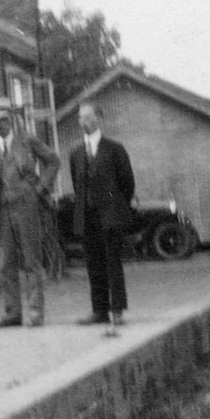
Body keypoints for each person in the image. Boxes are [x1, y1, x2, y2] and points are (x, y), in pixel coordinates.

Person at [0, 97, 60, 327]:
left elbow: (53, 161)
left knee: (31, 260)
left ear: (12, 118)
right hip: (1, 209)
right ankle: (12, 312)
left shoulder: (27, 141)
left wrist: (41, 188)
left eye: (3, 120)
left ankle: (35, 313)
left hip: (26, 205)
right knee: (6, 263)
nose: (0, 125)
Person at [69, 102, 136, 326]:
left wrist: (115, 207)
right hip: (87, 217)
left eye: (87, 117)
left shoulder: (114, 149)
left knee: (112, 262)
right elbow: (77, 186)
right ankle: (99, 310)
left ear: (99, 117)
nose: (83, 122)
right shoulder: (76, 153)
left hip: (110, 215)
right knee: (93, 264)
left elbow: (127, 183)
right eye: (80, 118)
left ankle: (117, 309)